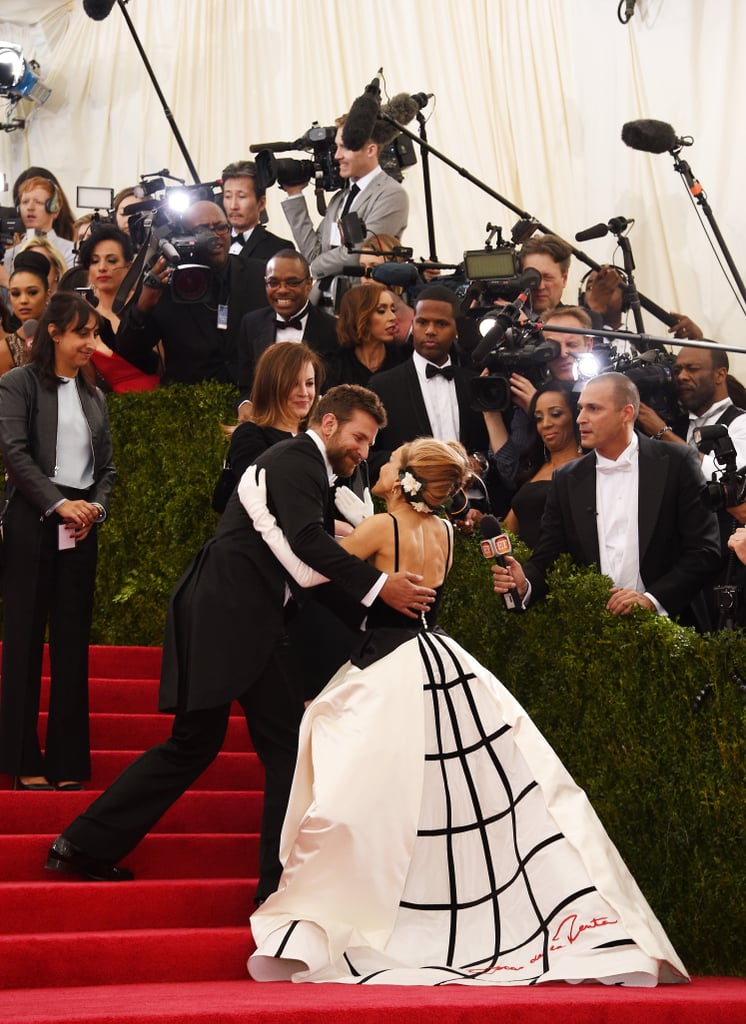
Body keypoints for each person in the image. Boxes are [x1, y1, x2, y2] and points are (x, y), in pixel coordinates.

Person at [243, 437, 688, 987]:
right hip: (440, 657)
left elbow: (316, 568)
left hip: (389, 663)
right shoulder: (447, 533)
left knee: (362, 785)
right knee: (446, 793)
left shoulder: (383, 528)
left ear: (405, 477)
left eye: (391, 459)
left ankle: (361, 904)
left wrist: (264, 515)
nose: (380, 463)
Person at [46, 385, 435, 901]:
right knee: (278, 752)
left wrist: (379, 615)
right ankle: (274, 890)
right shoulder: (298, 459)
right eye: (360, 439)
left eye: (370, 444)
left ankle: (81, 844)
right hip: (233, 616)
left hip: (234, 615)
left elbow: (306, 571)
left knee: (203, 745)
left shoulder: (305, 468)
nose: (363, 453)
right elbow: (309, 545)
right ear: (328, 424)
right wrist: (383, 588)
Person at [492, 372, 722, 629]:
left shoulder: (677, 462)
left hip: (675, 628)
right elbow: (548, 557)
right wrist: (525, 584)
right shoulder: (567, 479)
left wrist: (650, 600)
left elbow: (705, 551)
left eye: (593, 408)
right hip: (599, 635)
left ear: (626, 413)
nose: (580, 419)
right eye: (580, 409)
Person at [0, 292, 115, 791]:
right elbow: (14, 452)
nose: (92, 342)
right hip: (31, 518)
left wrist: (95, 508)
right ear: (54, 332)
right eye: (82, 333)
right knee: (24, 638)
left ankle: (68, 762)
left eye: (94, 333)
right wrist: (57, 503)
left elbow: (106, 470)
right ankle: (20, 756)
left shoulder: (94, 395)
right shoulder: (17, 384)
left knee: (71, 643)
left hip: (80, 525)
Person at [114, 200, 268, 385]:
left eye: (221, 227)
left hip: (251, 399)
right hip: (188, 404)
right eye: (203, 230)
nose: (215, 236)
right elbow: (129, 351)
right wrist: (143, 307)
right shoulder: (164, 279)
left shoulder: (260, 274)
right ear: (185, 236)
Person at [366, 285, 491, 513]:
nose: (430, 330)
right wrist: (411, 466)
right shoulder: (383, 385)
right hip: (408, 510)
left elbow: (490, 447)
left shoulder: (475, 383)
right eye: (422, 322)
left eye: (441, 324)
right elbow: (367, 455)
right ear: (413, 324)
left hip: (475, 507)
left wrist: (480, 462)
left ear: (456, 330)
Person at [281, 112, 409, 309]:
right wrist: (294, 195)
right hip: (321, 307)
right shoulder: (340, 198)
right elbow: (312, 253)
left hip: (361, 309)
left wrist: (310, 269)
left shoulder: (391, 194)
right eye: (336, 146)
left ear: (370, 150)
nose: (336, 155)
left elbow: (357, 254)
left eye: (344, 147)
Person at [216, 342, 323, 509]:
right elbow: (269, 501)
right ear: (271, 385)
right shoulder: (249, 436)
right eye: (294, 383)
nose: (304, 392)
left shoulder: (316, 437)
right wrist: (338, 527)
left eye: (309, 383)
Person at [236, 250, 338, 413]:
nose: (282, 290)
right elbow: (245, 383)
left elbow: (337, 389)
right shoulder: (251, 323)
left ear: (308, 284)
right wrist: (245, 403)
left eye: (292, 283)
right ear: (265, 283)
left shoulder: (333, 329)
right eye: (273, 283)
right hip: (264, 424)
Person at [77, 224, 160, 392]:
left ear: (129, 266)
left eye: (112, 260)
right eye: (94, 261)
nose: (102, 268)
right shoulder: (83, 318)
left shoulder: (147, 308)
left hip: (160, 406)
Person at [501, 386, 582, 548]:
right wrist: (480, 521)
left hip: (567, 569)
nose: (545, 424)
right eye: (538, 418)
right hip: (524, 568)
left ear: (575, 416)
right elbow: (506, 531)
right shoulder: (535, 469)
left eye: (556, 414)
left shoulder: (587, 468)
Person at [325, 282, 406, 388]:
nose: (393, 317)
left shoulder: (404, 359)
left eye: (393, 309)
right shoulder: (333, 365)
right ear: (359, 316)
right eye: (381, 311)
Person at [221, 160, 292, 261]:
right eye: (228, 196)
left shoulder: (280, 249)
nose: (233, 206)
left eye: (241, 196)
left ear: (261, 203)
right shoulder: (214, 243)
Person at [3, 175, 76, 273]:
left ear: (54, 209)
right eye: (25, 202)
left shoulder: (72, 251)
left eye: (38, 202)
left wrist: (6, 281)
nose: (30, 207)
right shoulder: (8, 255)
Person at [0, 250, 53, 375]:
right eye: (15, 294)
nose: (23, 300)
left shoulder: (64, 336)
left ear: (48, 294)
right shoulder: (5, 349)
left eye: (32, 292)